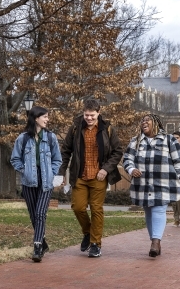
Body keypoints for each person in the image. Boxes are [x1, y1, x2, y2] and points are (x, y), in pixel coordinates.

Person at [59, 99, 123, 258]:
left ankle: (95, 244)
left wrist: (106, 169)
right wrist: (61, 173)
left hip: (99, 177)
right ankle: (88, 233)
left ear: (98, 113)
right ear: (83, 112)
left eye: (92, 115)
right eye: (86, 115)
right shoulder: (75, 128)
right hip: (79, 175)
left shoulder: (107, 129)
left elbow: (117, 152)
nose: (89, 118)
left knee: (96, 209)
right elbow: (65, 151)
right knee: (78, 207)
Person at [123, 114, 180, 258]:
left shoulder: (169, 140)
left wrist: (177, 179)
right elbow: (127, 158)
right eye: (142, 121)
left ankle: (156, 242)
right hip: (143, 184)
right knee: (149, 211)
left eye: (147, 120)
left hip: (163, 183)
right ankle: (154, 241)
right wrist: (131, 169)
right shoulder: (136, 141)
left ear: (156, 123)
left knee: (158, 209)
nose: (144, 123)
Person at [10, 106, 62, 262]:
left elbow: (57, 159)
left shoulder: (51, 138)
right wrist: (24, 170)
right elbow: (15, 159)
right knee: (34, 215)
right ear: (35, 118)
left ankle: (37, 246)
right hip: (29, 181)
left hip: (46, 181)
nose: (47, 119)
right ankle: (43, 242)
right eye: (44, 117)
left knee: (40, 213)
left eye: (47, 117)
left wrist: (52, 173)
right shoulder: (23, 138)